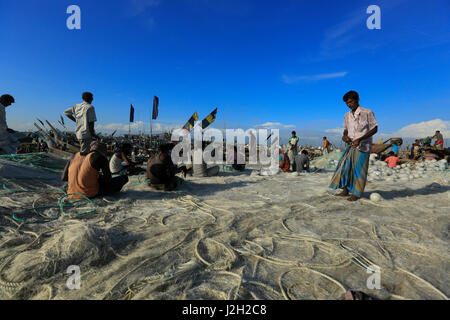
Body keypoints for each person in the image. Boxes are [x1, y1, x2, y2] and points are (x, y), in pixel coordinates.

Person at [330, 91, 378, 202]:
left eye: (351, 102)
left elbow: (375, 128)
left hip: (363, 146)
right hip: (350, 146)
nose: (349, 105)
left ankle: (356, 193)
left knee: (359, 170)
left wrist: (360, 139)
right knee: (345, 168)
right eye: (347, 103)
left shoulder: (367, 112)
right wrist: (344, 136)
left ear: (357, 100)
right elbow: (345, 130)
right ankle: (345, 190)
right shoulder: (347, 116)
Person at [62, 141, 128, 199]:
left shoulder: (74, 155)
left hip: (71, 193)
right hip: (89, 194)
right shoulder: (100, 157)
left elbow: (64, 178)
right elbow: (107, 179)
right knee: (124, 178)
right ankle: (114, 195)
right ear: (103, 150)